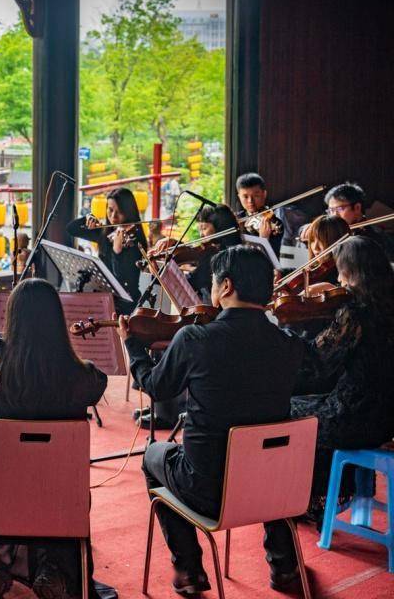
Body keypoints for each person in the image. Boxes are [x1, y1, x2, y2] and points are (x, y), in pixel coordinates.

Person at [121, 245, 306, 595]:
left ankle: (188, 568)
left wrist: (132, 347)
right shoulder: (289, 345)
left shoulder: (194, 339)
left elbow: (156, 388)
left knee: (152, 456)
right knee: (267, 450)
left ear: (227, 287)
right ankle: (283, 566)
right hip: (273, 490)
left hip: (208, 491)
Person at [0, 279, 111, 599]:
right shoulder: (83, 375)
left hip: (4, 491)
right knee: (51, 482)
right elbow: (98, 382)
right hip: (62, 492)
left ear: (13, 321)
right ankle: (53, 567)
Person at [290, 236, 394, 518]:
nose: (337, 278)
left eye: (340, 271)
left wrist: (289, 335)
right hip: (387, 420)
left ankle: (308, 500)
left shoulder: (355, 313)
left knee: (288, 409)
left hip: (357, 418)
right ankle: (341, 492)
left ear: (353, 272)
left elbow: (320, 362)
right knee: (312, 402)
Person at [66, 187, 148, 312]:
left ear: (129, 212)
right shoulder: (106, 233)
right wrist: (88, 217)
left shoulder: (136, 242)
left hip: (125, 305)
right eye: (110, 210)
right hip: (103, 298)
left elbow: (121, 279)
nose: (113, 216)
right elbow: (71, 229)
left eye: (119, 212)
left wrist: (117, 252)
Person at [324, 182, 394, 260]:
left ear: (357, 207)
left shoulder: (375, 237)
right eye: (331, 210)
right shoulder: (337, 234)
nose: (334, 215)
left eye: (339, 209)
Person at [235, 172, 285, 258]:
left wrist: (263, 239)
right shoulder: (236, 219)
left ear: (264, 194)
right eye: (245, 197)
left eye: (256, 195)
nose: (250, 201)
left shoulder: (275, 224)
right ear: (239, 197)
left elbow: (269, 259)